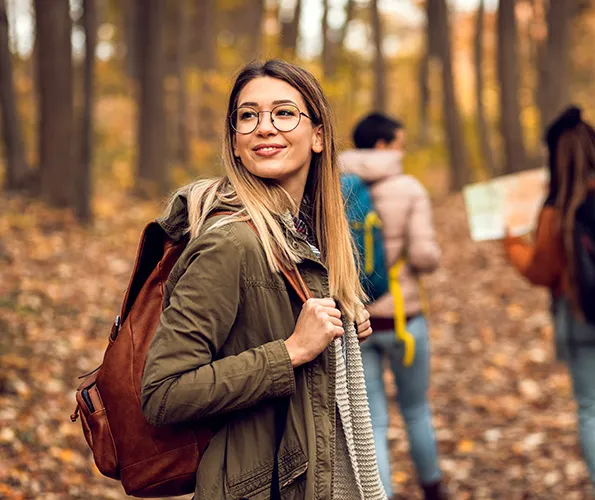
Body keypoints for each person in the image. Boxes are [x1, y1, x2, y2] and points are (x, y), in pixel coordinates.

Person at [140, 60, 387, 500]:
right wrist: (290, 351)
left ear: (318, 136)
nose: (264, 127)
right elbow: (163, 393)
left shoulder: (305, 237)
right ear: (235, 143)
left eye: (284, 113)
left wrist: (341, 328)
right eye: (248, 115)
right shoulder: (230, 243)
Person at [503, 106, 595, 500]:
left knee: (594, 407)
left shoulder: (557, 208)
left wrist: (512, 244)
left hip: (581, 316)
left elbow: (541, 272)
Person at [339, 113, 447, 499]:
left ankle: (378, 494)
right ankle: (432, 488)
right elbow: (423, 257)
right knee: (416, 409)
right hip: (404, 319)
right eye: (399, 142)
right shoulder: (408, 187)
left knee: (375, 423)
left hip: (358, 322)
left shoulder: (334, 187)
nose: (402, 148)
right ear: (383, 145)